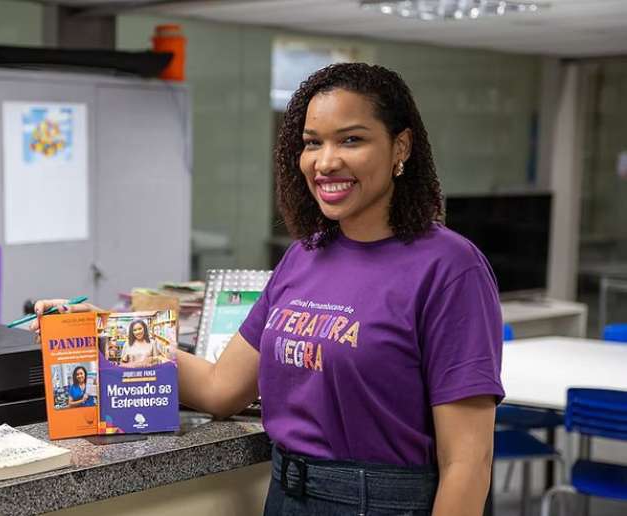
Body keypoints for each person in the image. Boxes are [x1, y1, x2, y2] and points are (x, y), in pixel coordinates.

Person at [32, 62, 503, 515]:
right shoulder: (305, 256)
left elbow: (467, 462)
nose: (325, 161)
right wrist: (100, 331)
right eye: (312, 143)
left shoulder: (449, 267)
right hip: (286, 496)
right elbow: (220, 388)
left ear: (401, 146)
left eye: (351, 140)